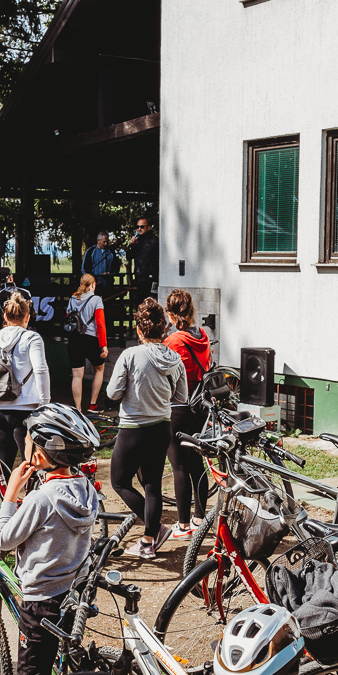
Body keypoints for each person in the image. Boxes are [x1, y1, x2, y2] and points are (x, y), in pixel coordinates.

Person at [0, 404, 101, 675]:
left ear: (39, 452)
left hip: (39, 602)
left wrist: (11, 493)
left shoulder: (40, 498)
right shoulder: (85, 489)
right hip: (72, 592)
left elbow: (3, 540)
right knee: (62, 658)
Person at [105, 297, 186, 557]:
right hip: (162, 427)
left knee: (119, 481)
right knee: (151, 483)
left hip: (133, 428)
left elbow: (113, 393)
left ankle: (156, 529)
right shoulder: (175, 358)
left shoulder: (130, 355)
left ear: (139, 330)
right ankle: (149, 540)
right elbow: (181, 398)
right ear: (163, 329)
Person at [0, 292, 50, 479]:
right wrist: (45, 400)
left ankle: (5, 504)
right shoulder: (32, 338)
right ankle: (33, 501)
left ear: (5, 317)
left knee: (3, 464)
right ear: (27, 317)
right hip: (26, 408)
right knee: (33, 463)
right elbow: (40, 369)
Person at [163, 288, 212, 539]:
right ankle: (200, 517)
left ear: (171, 315)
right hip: (200, 407)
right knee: (196, 462)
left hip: (178, 406)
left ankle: (183, 524)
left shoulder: (173, 342)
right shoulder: (203, 335)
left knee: (179, 464)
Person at [66, 273, 107, 412]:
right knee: (99, 369)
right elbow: (100, 324)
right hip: (91, 338)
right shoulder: (96, 300)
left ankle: (77, 408)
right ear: (93, 284)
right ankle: (93, 404)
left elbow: (68, 317)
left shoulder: (72, 298)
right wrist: (103, 345)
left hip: (74, 339)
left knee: (77, 375)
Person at [124, 215, 159, 307]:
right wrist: (131, 245)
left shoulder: (154, 241)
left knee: (152, 304)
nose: (139, 229)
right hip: (140, 278)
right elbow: (128, 256)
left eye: (142, 227)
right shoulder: (136, 241)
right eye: (138, 227)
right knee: (140, 304)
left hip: (152, 278)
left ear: (148, 227)